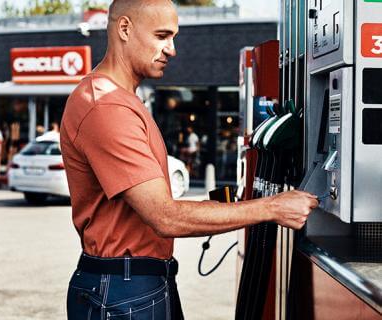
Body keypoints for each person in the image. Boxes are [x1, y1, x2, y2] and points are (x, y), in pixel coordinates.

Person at [60, 1, 319, 319]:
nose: (172, 49)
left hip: (136, 284)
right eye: (161, 36)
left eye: (173, 37)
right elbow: (164, 216)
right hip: (124, 292)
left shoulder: (123, 100)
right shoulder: (107, 107)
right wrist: (273, 207)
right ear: (124, 28)